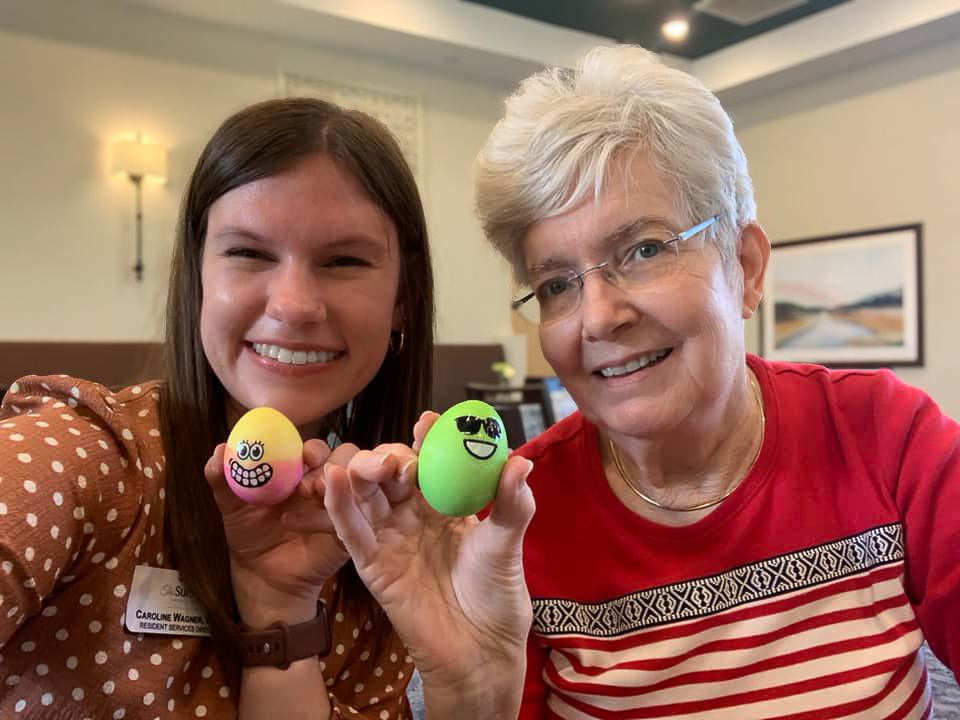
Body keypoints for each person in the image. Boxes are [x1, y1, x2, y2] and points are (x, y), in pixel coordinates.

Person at [0, 96, 534, 719]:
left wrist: (471, 688)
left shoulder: (381, 540)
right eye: (249, 253)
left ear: (403, 301)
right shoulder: (85, 456)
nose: (294, 304)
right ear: (197, 274)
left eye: (344, 261)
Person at [471, 45, 959, 718]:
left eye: (643, 250)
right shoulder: (517, 517)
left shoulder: (885, 436)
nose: (599, 317)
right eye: (556, 284)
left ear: (746, 266)